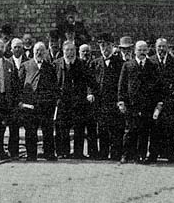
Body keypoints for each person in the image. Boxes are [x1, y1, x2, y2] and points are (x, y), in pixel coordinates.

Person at [118, 39, 164, 164]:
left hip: (147, 105)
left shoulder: (153, 66)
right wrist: (121, 101)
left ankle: (141, 155)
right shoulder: (128, 65)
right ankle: (126, 155)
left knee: (143, 131)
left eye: (144, 50)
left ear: (148, 50)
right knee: (130, 130)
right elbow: (122, 85)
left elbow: (158, 86)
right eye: (139, 50)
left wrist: (158, 103)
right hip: (131, 104)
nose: (142, 52)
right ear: (135, 51)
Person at [19, 41, 59, 161]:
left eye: (42, 50)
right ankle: (31, 155)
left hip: (46, 104)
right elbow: (19, 84)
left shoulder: (50, 67)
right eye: (37, 50)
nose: (39, 52)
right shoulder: (25, 65)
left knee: (47, 130)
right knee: (30, 130)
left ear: (46, 52)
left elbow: (54, 85)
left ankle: (49, 153)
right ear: (33, 52)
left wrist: (52, 100)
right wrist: (21, 101)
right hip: (30, 104)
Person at [56, 40, 95, 158]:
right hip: (63, 100)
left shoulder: (82, 64)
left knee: (79, 127)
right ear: (63, 51)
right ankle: (63, 152)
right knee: (63, 128)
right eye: (67, 50)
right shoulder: (56, 64)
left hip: (79, 100)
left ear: (76, 51)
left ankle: (78, 152)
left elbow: (90, 81)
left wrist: (89, 93)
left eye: (72, 50)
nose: (70, 53)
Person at [93, 33, 125, 161]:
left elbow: (122, 83)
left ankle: (116, 153)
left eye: (107, 45)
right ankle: (103, 153)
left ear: (112, 47)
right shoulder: (95, 63)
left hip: (114, 100)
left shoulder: (120, 63)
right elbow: (91, 81)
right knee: (102, 128)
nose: (105, 48)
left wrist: (120, 99)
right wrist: (90, 93)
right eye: (102, 46)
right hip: (101, 101)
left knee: (116, 128)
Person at [149, 38, 174, 162]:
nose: (161, 49)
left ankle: (170, 153)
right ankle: (153, 154)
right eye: (159, 46)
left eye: (163, 46)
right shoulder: (150, 61)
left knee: (168, 127)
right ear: (155, 47)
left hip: (168, 100)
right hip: (154, 100)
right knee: (154, 127)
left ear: (167, 48)